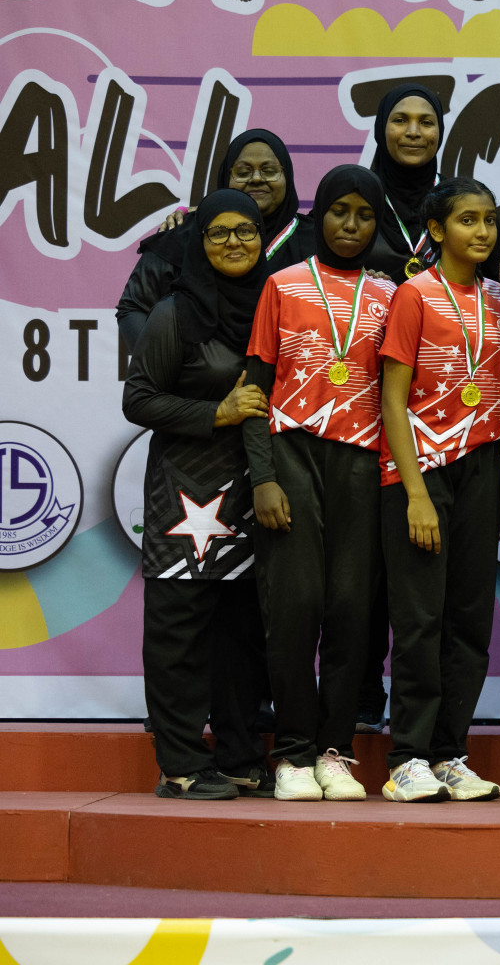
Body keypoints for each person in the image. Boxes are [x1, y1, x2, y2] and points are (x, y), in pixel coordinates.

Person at [243, 166, 395, 801]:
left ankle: (335, 751)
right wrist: (263, 478)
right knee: (296, 607)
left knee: (352, 613)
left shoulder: (391, 295)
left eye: (364, 214)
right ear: (319, 214)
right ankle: (293, 753)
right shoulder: (282, 285)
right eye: (340, 212)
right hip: (293, 456)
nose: (351, 225)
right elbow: (253, 388)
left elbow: (404, 391)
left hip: (363, 463)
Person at [123, 190, 274, 800]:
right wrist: (219, 411)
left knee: (244, 636)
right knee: (178, 633)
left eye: (246, 232)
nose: (234, 243)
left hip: (254, 493)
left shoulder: (277, 303)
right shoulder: (173, 314)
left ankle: (240, 756)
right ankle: (182, 764)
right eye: (218, 233)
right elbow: (138, 400)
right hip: (185, 495)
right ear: (198, 241)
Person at [376, 177, 500, 803]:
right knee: (421, 619)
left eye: (487, 220)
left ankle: (451, 752)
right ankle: (407, 756)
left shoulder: (499, 299)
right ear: (436, 230)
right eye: (466, 220)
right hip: (422, 468)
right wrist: (415, 494)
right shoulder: (414, 296)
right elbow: (392, 401)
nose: (481, 231)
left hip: (483, 466)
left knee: (469, 619)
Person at [118, 129, 312, 351]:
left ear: (287, 176)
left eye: (269, 171)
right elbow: (134, 306)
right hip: (202, 381)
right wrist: (157, 370)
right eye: (243, 172)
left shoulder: (314, 240)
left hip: (294, 380)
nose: (256, 179)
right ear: (226, 177)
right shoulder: (188, 231)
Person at [367, 83, 446, 281]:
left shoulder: (459, 201)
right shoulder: (356, 197)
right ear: (381, 127)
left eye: (426, 123)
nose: (413, 132)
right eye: (400, 120)